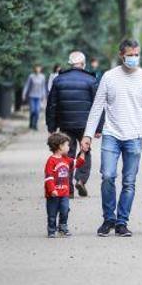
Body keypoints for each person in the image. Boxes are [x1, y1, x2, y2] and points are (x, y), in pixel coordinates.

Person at [82, 39, 142, 237]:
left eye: (136, 54)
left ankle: (122, 222)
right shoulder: (109, 77)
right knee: (107, 176)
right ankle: (109, 219)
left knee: (129, 182)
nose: (134, 58)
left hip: (134, 137)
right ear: (121, 55)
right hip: (111, 135)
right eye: (130, 55)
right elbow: (97, 107)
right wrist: (88, 135)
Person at [45, 51, 101, 197]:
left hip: (65, 124)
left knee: (67, 154)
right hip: (85, 125)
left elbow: (52, 105)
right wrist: (98, 128)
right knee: (85, 150)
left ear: (70, 64)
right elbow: (98, 104)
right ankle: (81, 179)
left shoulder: (59, 80)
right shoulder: (91, 80)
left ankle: (67, 188)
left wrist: (51, 126)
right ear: (83, 64)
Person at [43, 132, 86, 237]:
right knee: (52, 214)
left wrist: (83, 152)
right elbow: (49, 177)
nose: (69, 147)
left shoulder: (66, 159)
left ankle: (63, 227)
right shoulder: (51, 161)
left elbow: (78, 163)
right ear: (60, 146)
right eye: (67, 145)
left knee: (65, 210)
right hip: (53, 194)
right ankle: (51, 229)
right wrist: (52, 189)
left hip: (64, 193)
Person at [23, 65, 47, 130]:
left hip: (39, 96)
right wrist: (24, 94)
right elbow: (27, 85)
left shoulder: (42, 77)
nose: (38, 69)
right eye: (37, 68)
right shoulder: (31, 76)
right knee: (32, 110)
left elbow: (43, 87)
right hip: (32, 96)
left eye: (39, 68)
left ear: (40, 69)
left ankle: (35, 125)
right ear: (35, 69)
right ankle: (31, 123)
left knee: (37, 111)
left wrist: (44, 97)